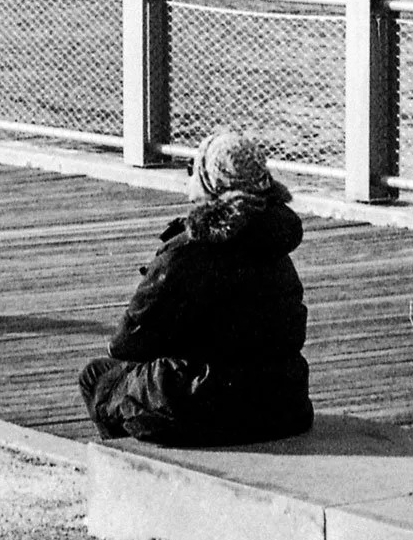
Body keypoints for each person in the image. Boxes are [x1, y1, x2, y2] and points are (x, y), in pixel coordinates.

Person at [78, 126, 313, 445]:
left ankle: (132, 473)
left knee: (99, 379)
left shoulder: (189, 252)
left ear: (210, 182)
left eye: (193, 171)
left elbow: (126, 344)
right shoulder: (275, 243)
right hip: (284, 404)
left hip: (208, 407)